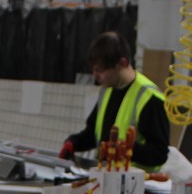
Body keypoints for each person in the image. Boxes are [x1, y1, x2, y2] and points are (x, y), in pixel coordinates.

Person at [60, 31, 170, 172]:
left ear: (122, 63)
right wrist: (73, 143)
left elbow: (159, 153)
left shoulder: (149, 98)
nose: (96, 76)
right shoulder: (107, 90)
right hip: (106, 178)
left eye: (100, 70)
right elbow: (93, 134)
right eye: (93, 70)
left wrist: (125, 149)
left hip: (135, 185)